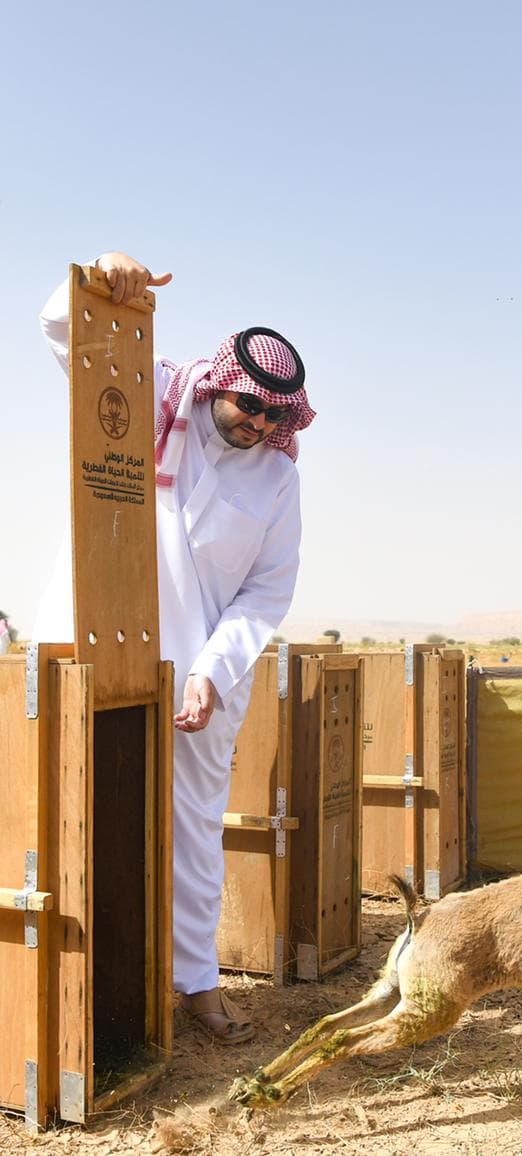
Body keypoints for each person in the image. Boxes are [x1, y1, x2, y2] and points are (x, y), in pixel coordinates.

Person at [34, 252, 316, 1044]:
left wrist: (212, 672)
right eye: (247, 406)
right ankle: (58, 992)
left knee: (193, 831)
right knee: (65, 811)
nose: (258, 425)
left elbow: (267, 591)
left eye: (275, 416)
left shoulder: (279, 483)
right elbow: (62, 329)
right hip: (88, 642)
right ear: (218, 382)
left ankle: (196, 989)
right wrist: (102, 274)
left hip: (200, 678)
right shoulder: (151, 389)